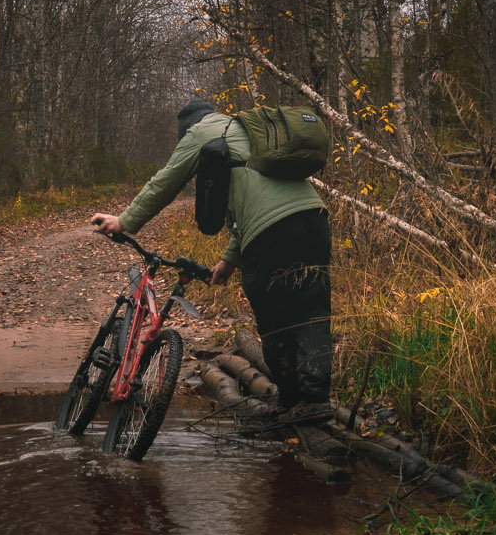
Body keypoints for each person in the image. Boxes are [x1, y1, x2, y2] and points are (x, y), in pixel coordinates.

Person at [90, 98, 335, 426]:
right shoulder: (247, 130)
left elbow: (166, 181)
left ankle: (292, 399)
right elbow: (247, 206)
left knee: (275, 318)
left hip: (270, 234)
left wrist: (124, 221)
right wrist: (228, 262)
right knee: (312, 311)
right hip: (313, 219)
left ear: (186, 129)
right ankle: (315, 398)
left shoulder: (200, 133)